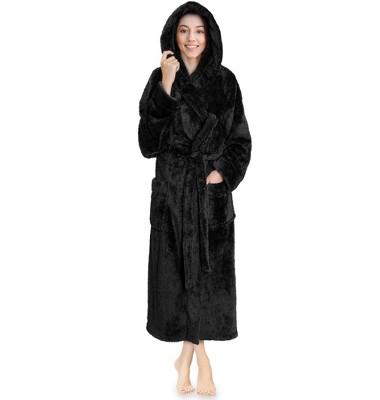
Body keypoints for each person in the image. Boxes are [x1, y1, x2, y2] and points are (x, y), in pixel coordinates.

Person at [138, 1, 252, 396]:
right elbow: (147, 144)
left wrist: (221, 173)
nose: (191, 38)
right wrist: (166, 87)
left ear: (209, 36)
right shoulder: (159, 79)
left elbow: (241, 141)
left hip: (208, 199)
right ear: (173, 34)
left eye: (199, 31)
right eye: (184, 30)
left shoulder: (226, 82)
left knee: (202, 281)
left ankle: (187, 361)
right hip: (172, 196)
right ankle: (201, 363)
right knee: (180, 282)